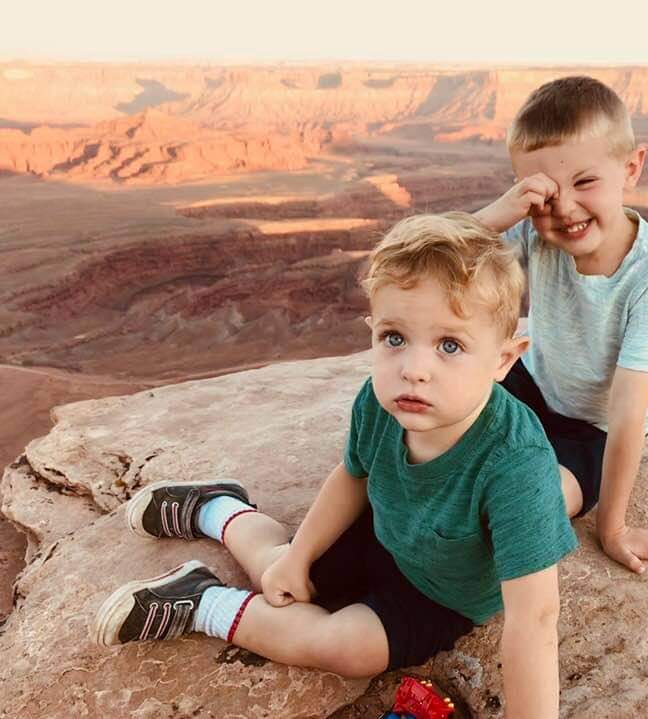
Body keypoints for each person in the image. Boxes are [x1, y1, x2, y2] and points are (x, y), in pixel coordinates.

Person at [92, 212, 577, 717]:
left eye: (449, 345)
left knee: (349, 649)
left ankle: (203, 604)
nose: (413, 369)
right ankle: (217, 511)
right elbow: (352, 476)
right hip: (385, 534)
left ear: (504, 360)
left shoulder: (516, 465)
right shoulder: (380, 400)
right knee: (278, 573)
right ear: (372, 331)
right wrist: (299, 558)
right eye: (394, 337)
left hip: (441, 593)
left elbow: (536, 619)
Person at [473, 75, 648, 575]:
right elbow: (432, 259)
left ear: (632, 167)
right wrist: (495, 216)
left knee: (527, 509)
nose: (565, 209)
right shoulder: (532, 233)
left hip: (594, 430)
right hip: (531, 386)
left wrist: (614, 528)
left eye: (585, 182)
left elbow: (625, 411)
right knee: (424, 421)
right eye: (544, 195)